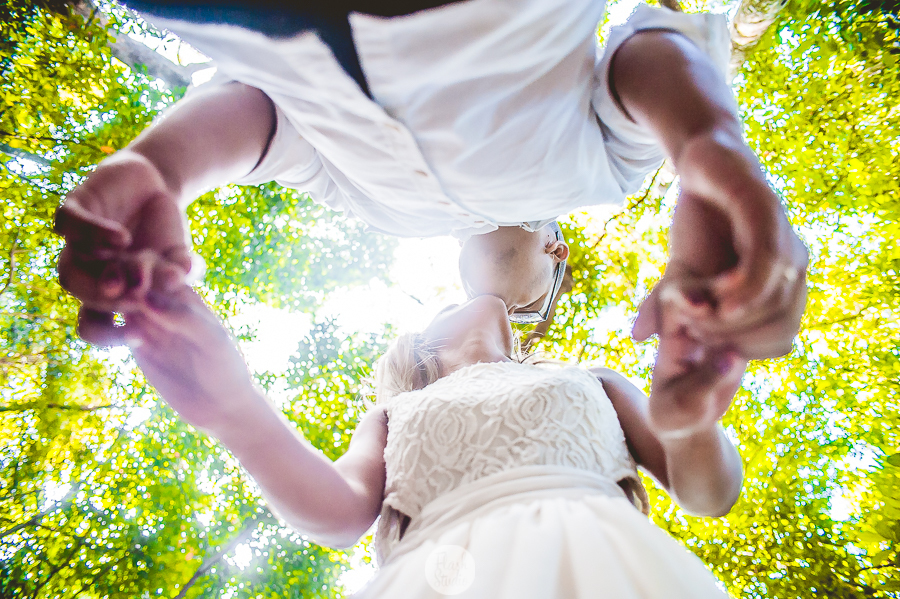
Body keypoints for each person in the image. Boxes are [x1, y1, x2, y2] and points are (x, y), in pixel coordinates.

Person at [55, 1, 808, 389]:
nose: (503, 322)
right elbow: (647, 51)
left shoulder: (378, 210)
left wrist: (163, 168)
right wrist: (710, 143)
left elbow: (267, 122)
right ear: (556, 249)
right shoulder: (598, 177)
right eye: (525, 314)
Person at [125, 283, 746, 597]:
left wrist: (691, 411)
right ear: (418, 345)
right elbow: (339, 511)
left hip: (607, 566)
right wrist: (236, 411)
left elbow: (709, 492)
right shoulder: (396, 412)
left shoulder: (592, 380)